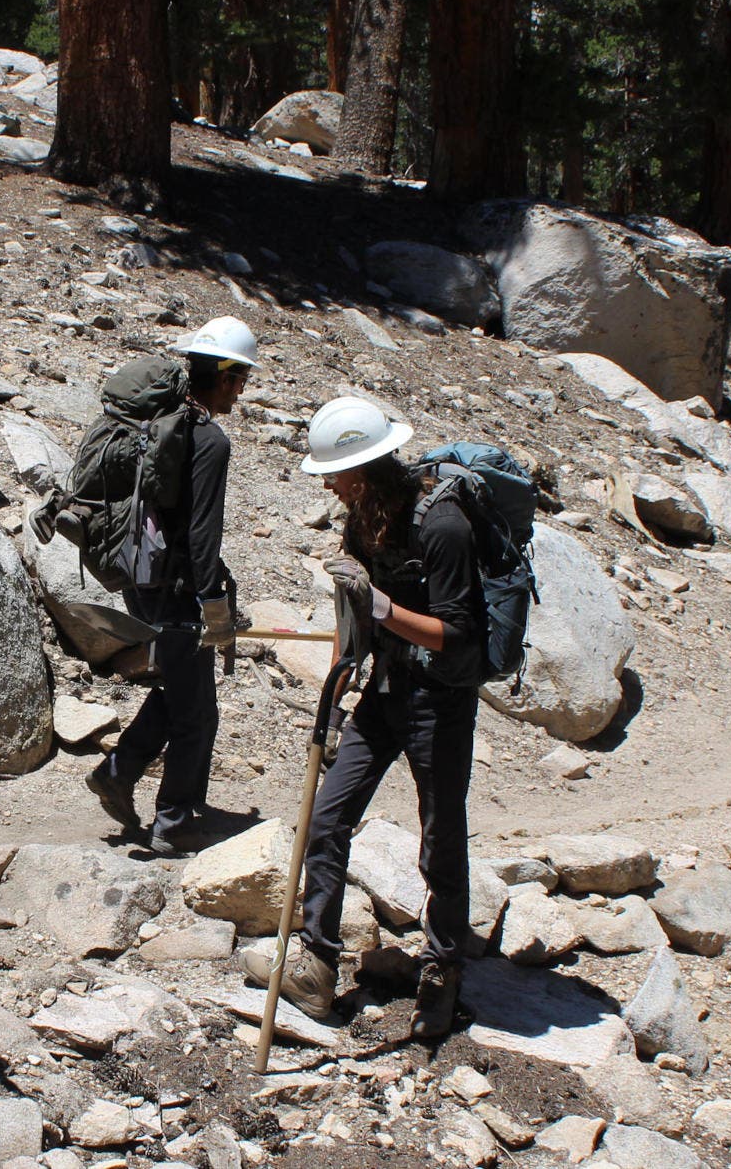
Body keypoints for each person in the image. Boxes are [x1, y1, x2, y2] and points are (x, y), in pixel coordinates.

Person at [239, 396, 488, 1040]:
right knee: (326, 817)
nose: (327, 484)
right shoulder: (362, 524)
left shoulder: (445, 527)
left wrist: (376, 606)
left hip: (440, 703)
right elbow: (366, 615)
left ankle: (442, 971)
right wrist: (354, 650)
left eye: (336, 472)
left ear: (368, 467)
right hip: (385, 691)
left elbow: (458, 637)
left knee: (440, 837)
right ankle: (318, 964)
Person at [85, 316, 256, 857]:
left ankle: (119, 770)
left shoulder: (160, 429)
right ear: (226, 377)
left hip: (140, 576)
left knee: (182, 689)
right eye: (242, 378)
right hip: (179, 589)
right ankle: (173, 822)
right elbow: (202, 531)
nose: (242, 390)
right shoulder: (207, 440)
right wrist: (214, 607)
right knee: (197, 713)